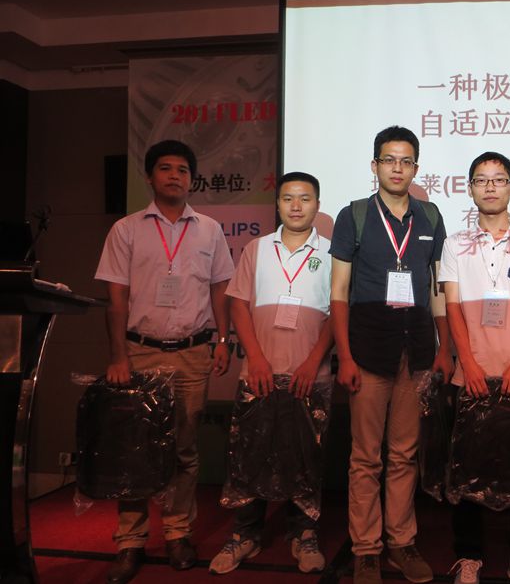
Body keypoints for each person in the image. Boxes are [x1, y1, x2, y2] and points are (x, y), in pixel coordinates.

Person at [95, 139, 233, 583]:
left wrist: (224, 340)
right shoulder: (126, 230)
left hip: (193, 352)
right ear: (150, 177)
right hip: (140, 352)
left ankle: (177, 533)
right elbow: (116, 298)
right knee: (134, 449)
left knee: (184, 450)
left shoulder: (209, 230)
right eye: (166, 168)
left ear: (193, 180)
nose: (175, 176)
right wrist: (118, 355)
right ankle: (130, 540)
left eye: (183, 170)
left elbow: (220, 289)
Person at [330, 125, 453, 584]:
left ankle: (401, 542)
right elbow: (338, 292)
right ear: (375, 165)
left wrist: (445, 347)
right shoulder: (354, 216)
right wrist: (344, 356)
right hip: (367, 349)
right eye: (389, 160)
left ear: (416, 168)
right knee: (366, 457)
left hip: (416, 350)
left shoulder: (430, 216)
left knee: (404, 453)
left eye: (405, 161)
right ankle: (366, 548)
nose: (397, 168)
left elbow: (437, 289)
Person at [208, 171, 333, 575]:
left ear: (317, 205)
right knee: (250, 453)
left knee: (306, 455)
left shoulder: (333, 252)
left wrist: (313, 361)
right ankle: (245, 533)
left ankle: (304, 533)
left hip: (310, 375)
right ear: (277, 204)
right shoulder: (257, 248)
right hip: (258, 373)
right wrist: (256, 358)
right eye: (288, 198)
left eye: (305, 198)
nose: (296, 206)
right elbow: (239, 304)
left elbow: (338, 312)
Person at [440, 152, 510, 584]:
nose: (490, 187)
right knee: (467, 469)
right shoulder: (455, 244)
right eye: (481, 180)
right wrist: (467, 364)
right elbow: (452, 308)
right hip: (472, 376)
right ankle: (469, 557)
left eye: (499, 179)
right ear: (469, 189)